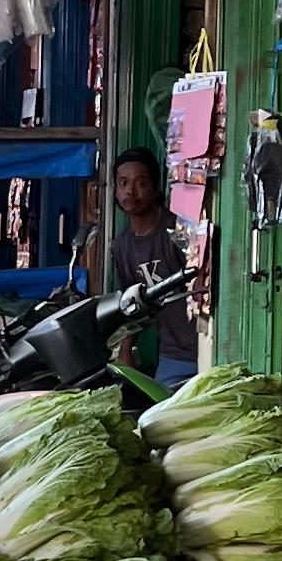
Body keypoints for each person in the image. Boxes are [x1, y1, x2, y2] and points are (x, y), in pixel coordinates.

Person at [103, 146, 200, 388]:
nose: (130, 191)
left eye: (140, 183)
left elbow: (201, 269)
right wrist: (126, 349)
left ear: (155, 188)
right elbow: (132, 303)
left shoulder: (176, 229)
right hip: (172, 352)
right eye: (123, 183)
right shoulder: (122, 246)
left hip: (204, 341)